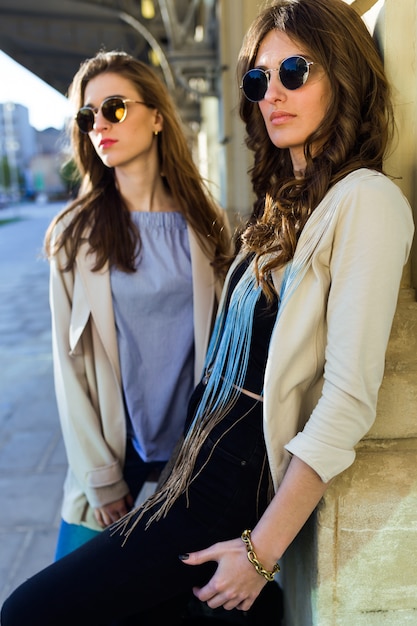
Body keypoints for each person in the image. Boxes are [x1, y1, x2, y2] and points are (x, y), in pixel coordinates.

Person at [1, 0, 414, 624]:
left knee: (29, 611)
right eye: (257, 79)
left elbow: (348, 399)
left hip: (224, 495)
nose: (270, 93)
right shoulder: (285, 206)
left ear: (344, 75)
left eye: (294, 72)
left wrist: (262, 550)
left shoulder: (367, 200)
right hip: (181, 479)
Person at [41, 50, 231, 560]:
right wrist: (100, 478)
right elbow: (68, 368)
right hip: (113, 455)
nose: (98, 124)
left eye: (115, 109)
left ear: (157, 117)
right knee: (60, 604)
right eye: (87, 116)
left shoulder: (208, 227)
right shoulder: (72, 235)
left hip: (191, 461)